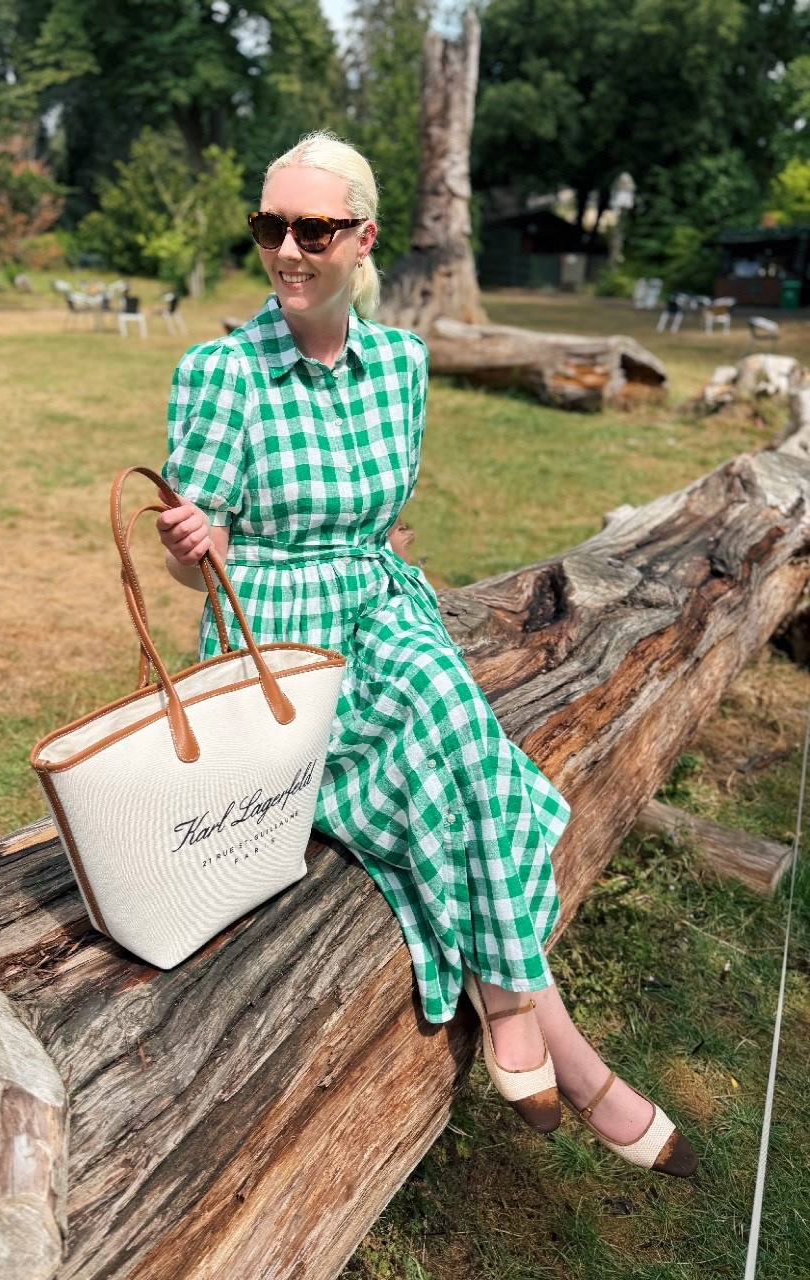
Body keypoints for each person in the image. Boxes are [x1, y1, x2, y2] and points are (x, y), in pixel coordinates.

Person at [157, 132, 697, 1177]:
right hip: (274, 637)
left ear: (364, 239)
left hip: (377, 600)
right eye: (271, 226)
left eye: (314, 229)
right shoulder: (217, 374)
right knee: (446, 753)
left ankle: (519, 1014)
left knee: (467, 739)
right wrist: (194, 549)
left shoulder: (402, 365)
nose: (288, 250)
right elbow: (196, 577)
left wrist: (400, 610)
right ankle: (553, 1040)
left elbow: (390, 525)